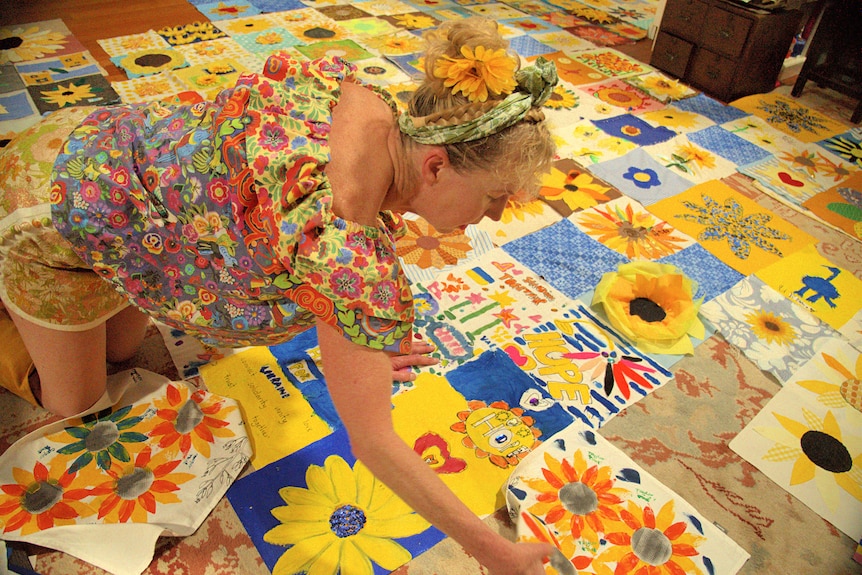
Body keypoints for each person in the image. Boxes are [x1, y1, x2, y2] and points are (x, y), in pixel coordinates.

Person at [0, 16, 557, 575]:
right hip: (37, 209)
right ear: (436, 167)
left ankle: (63, 301)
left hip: (93, 151)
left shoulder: (378, 107)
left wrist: (359, 352)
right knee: (75, 404)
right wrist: (496, 553)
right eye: (494, 197)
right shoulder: (346, 249)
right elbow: (375, 445)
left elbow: (287, 252)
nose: (496, 216)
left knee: (125, 356)